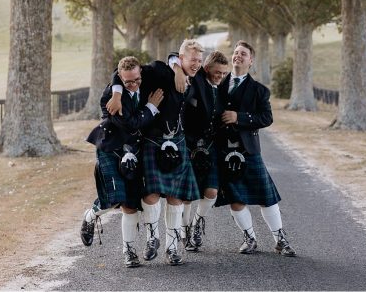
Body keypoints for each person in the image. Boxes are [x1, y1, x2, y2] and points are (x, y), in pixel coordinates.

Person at [106, 40, 205, 265]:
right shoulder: (160, 70)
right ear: (180, 58)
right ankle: (153, 239)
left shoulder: (197, 77)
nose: (197, 64)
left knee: (175, 197)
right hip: (153, 140)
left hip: (178, 140)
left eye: (200, 60)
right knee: (150, 195)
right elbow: (120, 71)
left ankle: (172, 248)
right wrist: (117, 94)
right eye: (192, 60)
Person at [215, 40, 296, 257]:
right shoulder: (217, 85)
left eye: (243, 54)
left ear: (251, 61)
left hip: (249, 150)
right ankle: (249, 238)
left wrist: (239, 117)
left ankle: (281, 240)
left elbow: (266, 118)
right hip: (223, 150)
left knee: (266, 197)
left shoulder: (259, 90)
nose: (237, 56)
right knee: (236, 199)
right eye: (235, 53)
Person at [81, 56, 163, 267]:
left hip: (135, 150)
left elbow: (163, 66)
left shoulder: (141, 82)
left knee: (130, 204)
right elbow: (131, 123)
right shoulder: (110, 97)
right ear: (120, 79)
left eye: (137, 79)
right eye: (128, 82)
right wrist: (152, 107)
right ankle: (90, 216)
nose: (134, 84)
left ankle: (129, 252)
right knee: (113, 200)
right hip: (111, 148)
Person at [172, 50, 230, 252]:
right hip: (191, 145)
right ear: (206, 69)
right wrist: (178, 69)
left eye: (223, 73)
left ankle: (197, 224)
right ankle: (186, 232)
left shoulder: (223, 86)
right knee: (188, 196)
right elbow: (175, 54)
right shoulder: (196, 81)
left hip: (212, 147)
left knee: (211, 191)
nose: (220, 77)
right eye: (217, 73)